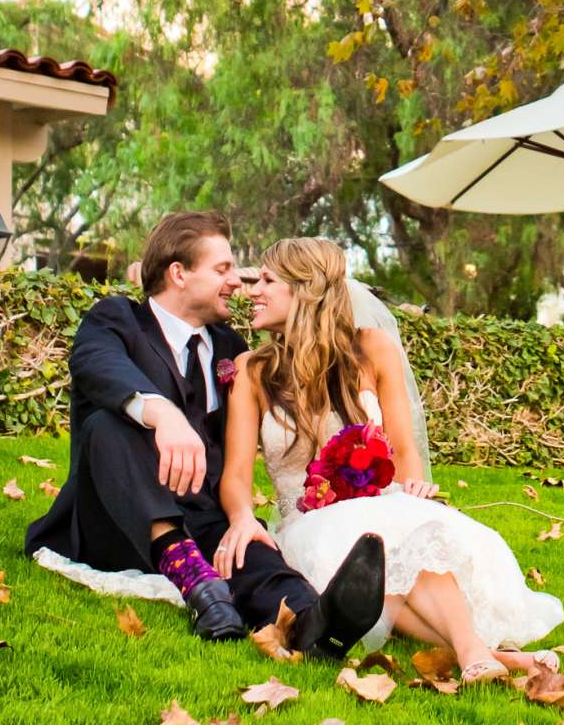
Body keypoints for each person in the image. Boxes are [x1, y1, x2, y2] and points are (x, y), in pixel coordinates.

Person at [26, 210, 385, 653]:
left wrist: (245, 519)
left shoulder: (234, 350)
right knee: (107, 422)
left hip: (203, 516)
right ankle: (196, 580)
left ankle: (315, 623)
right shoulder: (117, 320)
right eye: (223, 269)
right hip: (117, 521)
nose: (238, 282)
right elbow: (96, 365)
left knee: (251, 549)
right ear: (178, 273)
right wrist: (163, 414)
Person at [216, 236, 563, 686]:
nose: (251, 290)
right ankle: (480, 651)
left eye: (266, 280)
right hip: (307, 521)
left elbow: (403, 448)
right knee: (370, 549)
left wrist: (414, 489)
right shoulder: (253, 370)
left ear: (305, 289)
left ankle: (472, 650)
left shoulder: (373, 348)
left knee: (404, 530)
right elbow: (236, 474)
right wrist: (243, 518)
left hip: (382, 500)